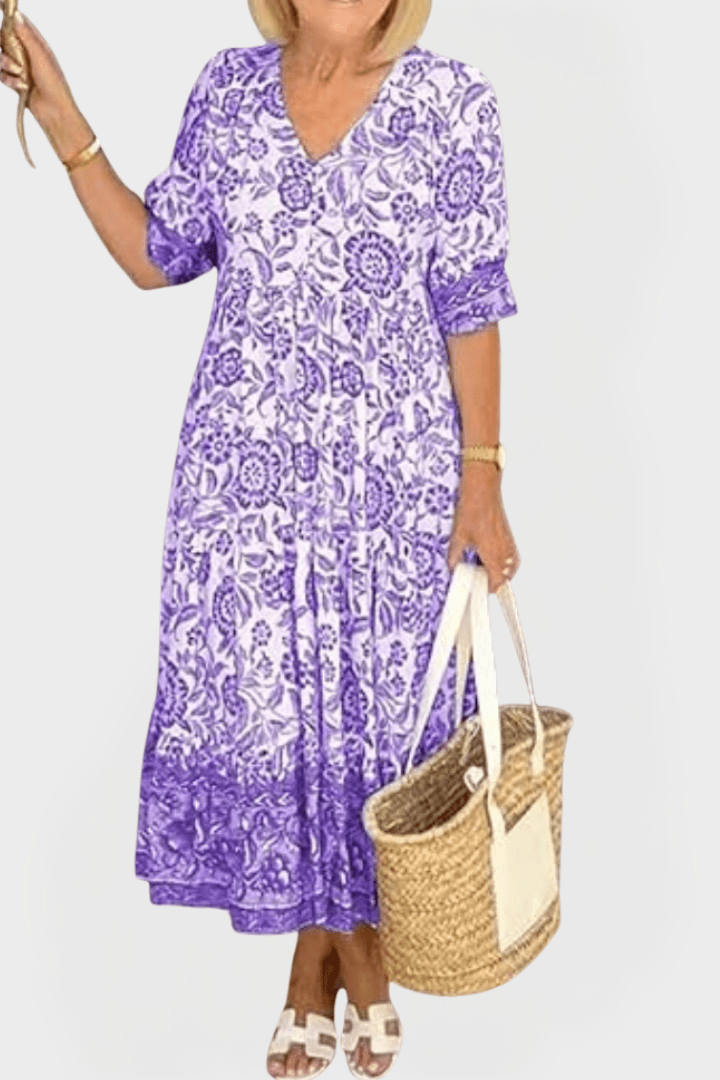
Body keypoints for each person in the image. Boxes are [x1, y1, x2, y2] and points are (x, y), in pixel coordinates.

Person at [0, 1, 521, 1076]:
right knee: (278, 716)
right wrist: (59, 111)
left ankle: (332, 958)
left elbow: (470, 299)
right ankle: (337, 953)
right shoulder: (229, 92)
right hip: (245, 484)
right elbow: (157, 255)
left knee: (381, 721)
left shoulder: (452, 101)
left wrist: (485, 478)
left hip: (393, 480)